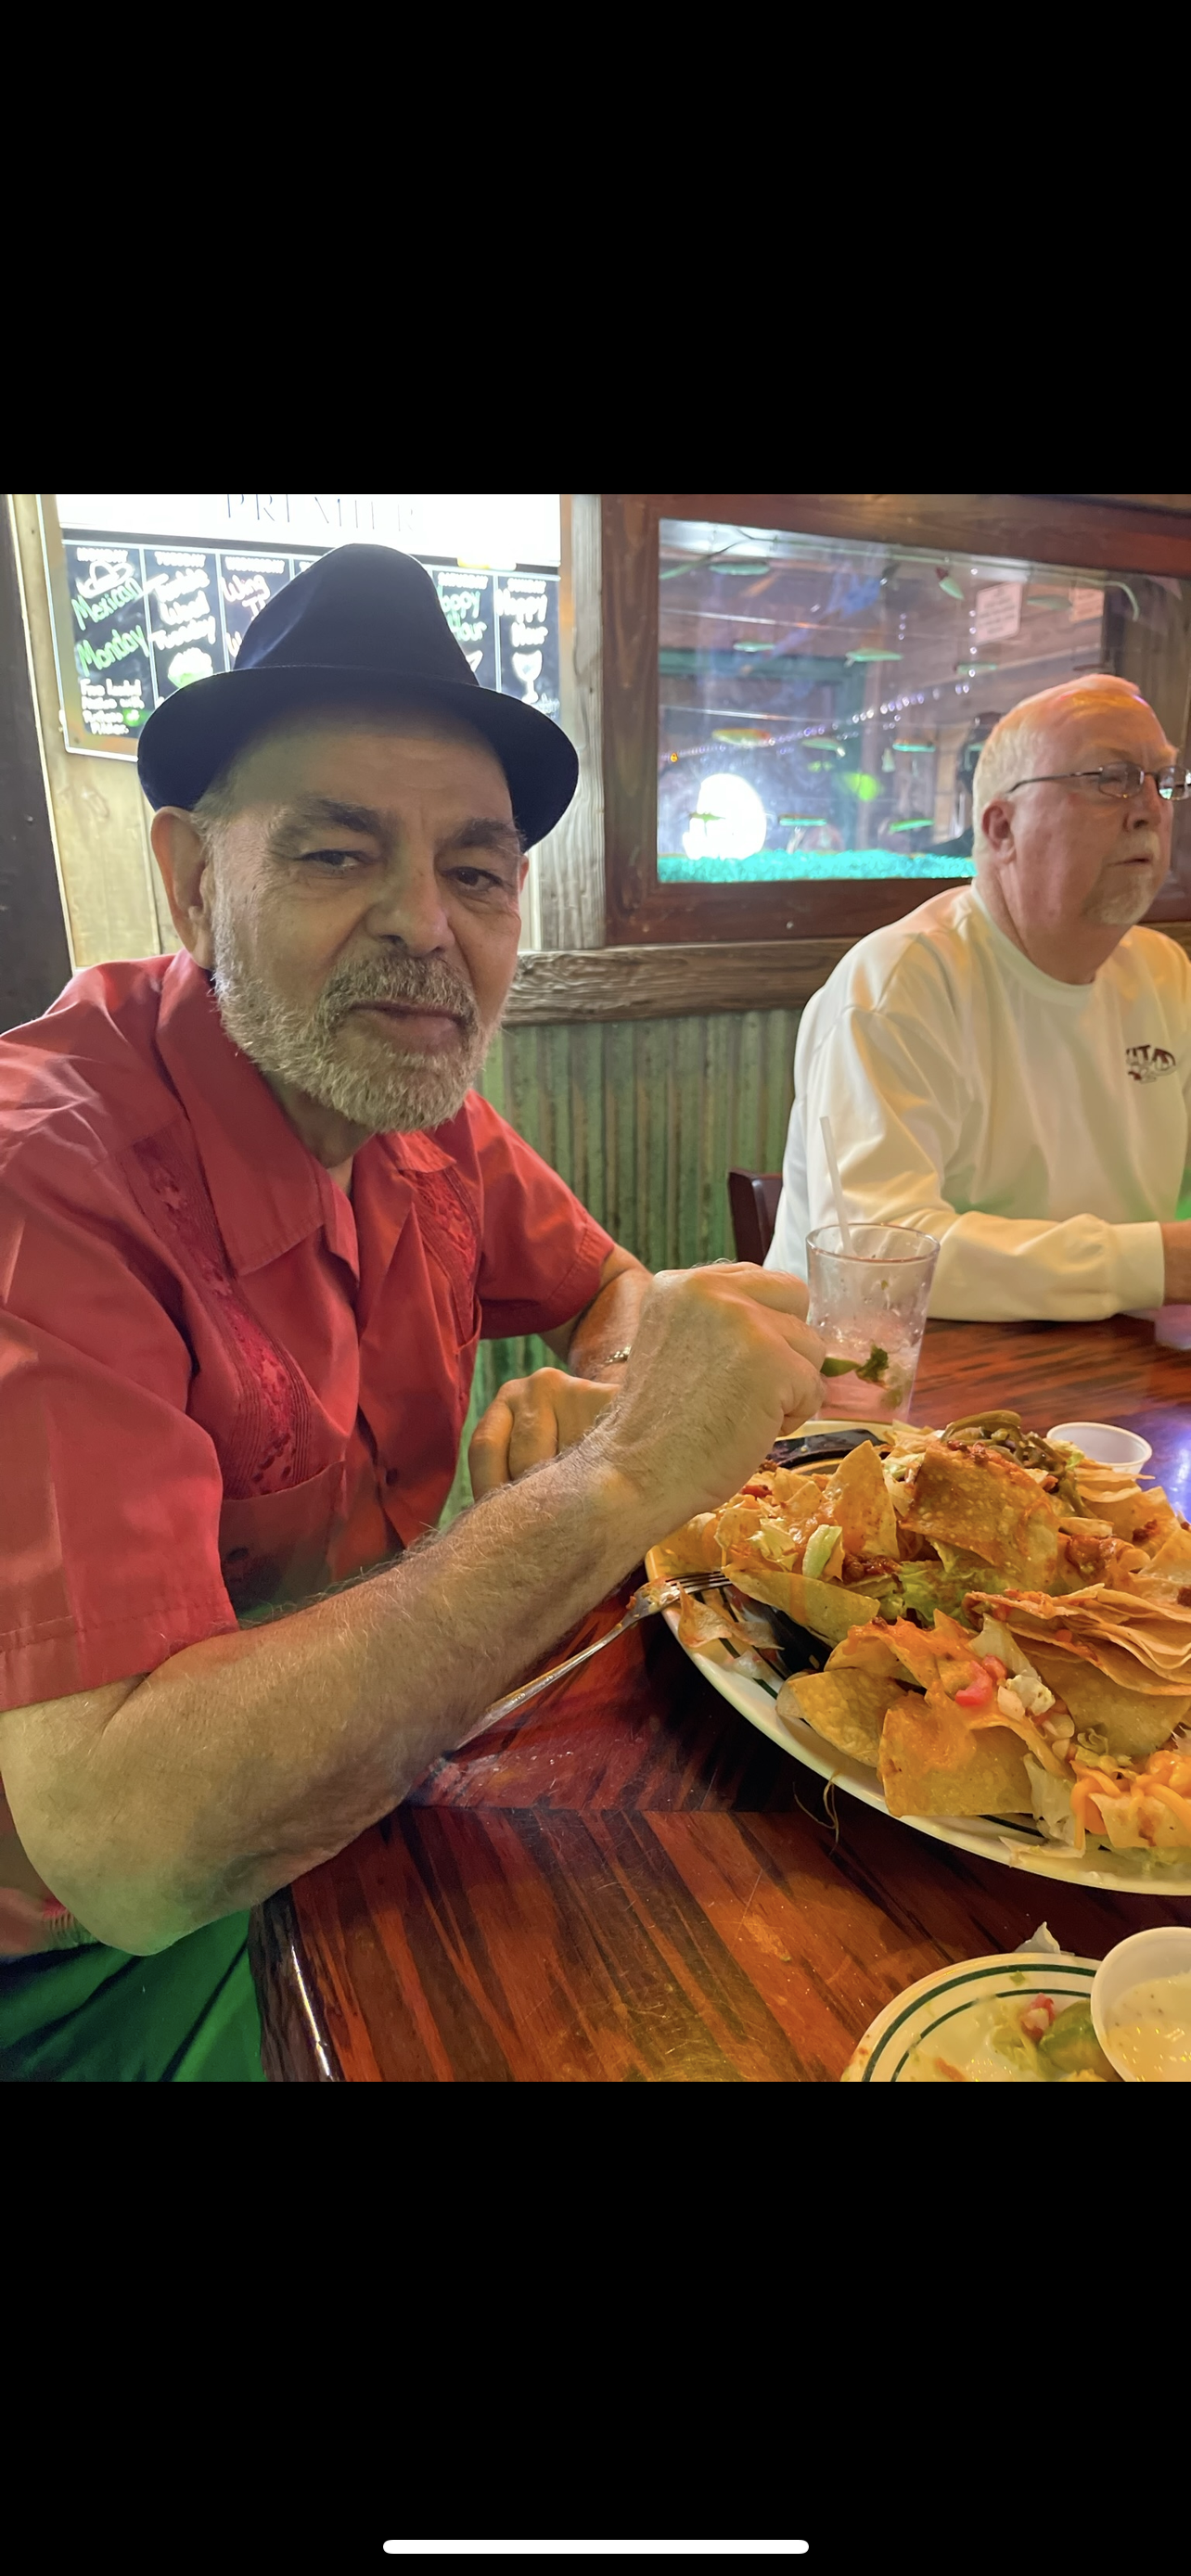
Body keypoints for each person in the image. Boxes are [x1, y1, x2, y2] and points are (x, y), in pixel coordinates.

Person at [0, 545, 826, 2080]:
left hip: (362, 1796)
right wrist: (616, 1481)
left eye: (475, 870)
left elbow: (612, 1290)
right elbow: (122, 1843)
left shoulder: (412, 1106)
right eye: (334, 855)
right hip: (87, 1956)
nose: (423, 925)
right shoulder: (46, 1182)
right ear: (191, 881)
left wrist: (605, 1380)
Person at [766, 674, 1191, 1320]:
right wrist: (1153, 1263)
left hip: (1106, 1376)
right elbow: (881, 1259)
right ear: (1001, 828)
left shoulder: (1165, 974)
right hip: (882, 1389)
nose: (1149, 808)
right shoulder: (901, 980)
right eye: (1111, 777)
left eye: (1162, 780)